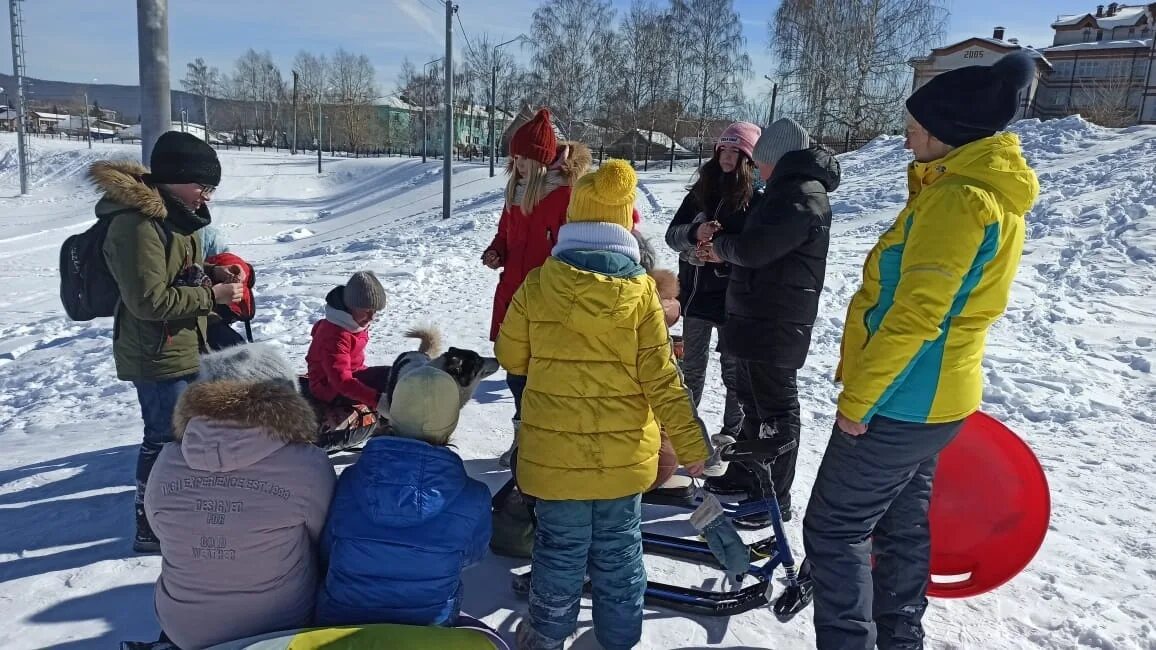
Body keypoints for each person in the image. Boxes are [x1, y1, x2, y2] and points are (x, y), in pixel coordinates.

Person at [802, 51, 1039, 649]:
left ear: (947, 132)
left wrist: (860, 399)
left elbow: (916, 316)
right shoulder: (977, 191)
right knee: (901, 525)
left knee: (834, 529)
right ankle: (898, 639)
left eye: (915, 124)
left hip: (903, 398)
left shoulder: (959, 201)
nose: (906, 132)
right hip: (936, 400)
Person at [496, 160, 712, 650]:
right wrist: (690, 443)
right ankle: (619, 636)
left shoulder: (538, 284)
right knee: (619, 549)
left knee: (560, 551)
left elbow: (510, 355)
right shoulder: (640, 294)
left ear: (574, 221)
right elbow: (663, 380)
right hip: (621, 462)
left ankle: (548, 635)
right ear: (622, 227)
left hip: (554, 461)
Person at [96, 130, 244, 552]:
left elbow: (181, 271)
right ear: (177, 177)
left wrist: (215, 275)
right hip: (155, 352)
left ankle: (175, 511)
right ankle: (149, 524)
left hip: (183, 343)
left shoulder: (175, 218)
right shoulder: (136, 225)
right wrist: (212, 296)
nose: (208, 196)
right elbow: (148, 300)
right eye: (204, 186)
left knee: (184, 435)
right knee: (161, 437)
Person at [144, 344, 337, 650]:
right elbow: (323, 536)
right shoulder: (308, 463)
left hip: (181, 628)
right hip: (277, 628)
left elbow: (158, 528)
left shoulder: (168, 459)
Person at [700, 118, 841, 526]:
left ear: (778, 160)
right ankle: (748, 475)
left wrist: (723, 247)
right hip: (757, 315)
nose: (757, 170)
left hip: (777, 322)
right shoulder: (784, 191)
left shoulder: (801, 195)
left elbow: (758, 248)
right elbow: (755, 235)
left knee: (775, 411)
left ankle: (774, 497)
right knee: (751, 401)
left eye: (762, 163)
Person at [315, 364, 491, 627]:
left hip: (340, 621)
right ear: (452, 422)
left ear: (392, 413)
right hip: (427, 629)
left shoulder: (350, 480)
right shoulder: (475, 497)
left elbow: (329, 549)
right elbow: (471, 556)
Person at [481, 107, 592, 467]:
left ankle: (540, 445)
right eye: (514, 157)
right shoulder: (515, 191)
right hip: (513, 294)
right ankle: (522, 442)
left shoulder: (566, 195)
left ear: (542, 159)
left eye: (525, 158)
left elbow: (574, 246)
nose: (518, 164)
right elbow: (505, 235)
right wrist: (496, 251)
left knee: (541, 379)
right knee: (516, 373)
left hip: (548, 300)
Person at [663, 121, 761, 439]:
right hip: (695, 298)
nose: (728, 156)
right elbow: (671, 236)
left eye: (736, 150)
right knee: (690, 370)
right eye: (724, 148)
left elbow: (755, 254)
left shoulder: (756, 200)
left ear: (748, 157)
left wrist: (721, 253)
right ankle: (685, 434)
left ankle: (730, 436)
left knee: (734, 374)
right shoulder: (701, 191)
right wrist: (695, 234)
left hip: (734, 302)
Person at [304, 270, 391, 411]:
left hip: (352, 375)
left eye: (375, 311)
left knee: (394, 375)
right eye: (367, 310)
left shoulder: (354, 322)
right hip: (330, 389)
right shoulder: (335, 335)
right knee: (385, 382)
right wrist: (377, 400)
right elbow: (341, 381)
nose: (371, 317)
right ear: (351, 306)